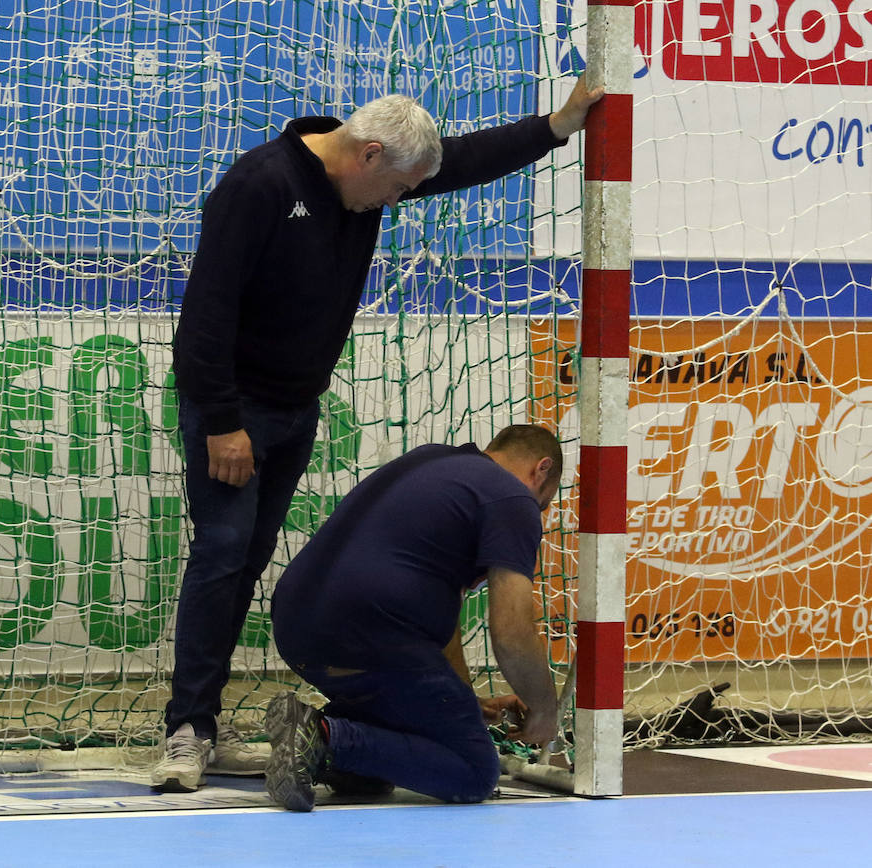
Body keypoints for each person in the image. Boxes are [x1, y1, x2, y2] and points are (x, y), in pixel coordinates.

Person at [151, 75, 602, 792]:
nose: (396, 203)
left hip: (296, 410)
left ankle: (265, 728)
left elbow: (461, 160)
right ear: (366, 156)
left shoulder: (372, 173)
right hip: (234, 412)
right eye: (394, 189)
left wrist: (555, 126)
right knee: (222, 553)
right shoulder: (259, 186)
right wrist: (223, 421)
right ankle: (188, 730)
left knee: (249, 555)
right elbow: (203, 315)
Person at [265, 424, 563, 811]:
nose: (538, 510)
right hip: (375, 631)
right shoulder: (512, 497)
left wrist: (463, 700)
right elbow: (512, 631)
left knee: (377, 775)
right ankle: (324, 736)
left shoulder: (433, 460)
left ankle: (320, 740)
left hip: (297, 628)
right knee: (473, 772)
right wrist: (543, 708)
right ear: (541, 470)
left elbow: (443, 612)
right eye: (544, 501)